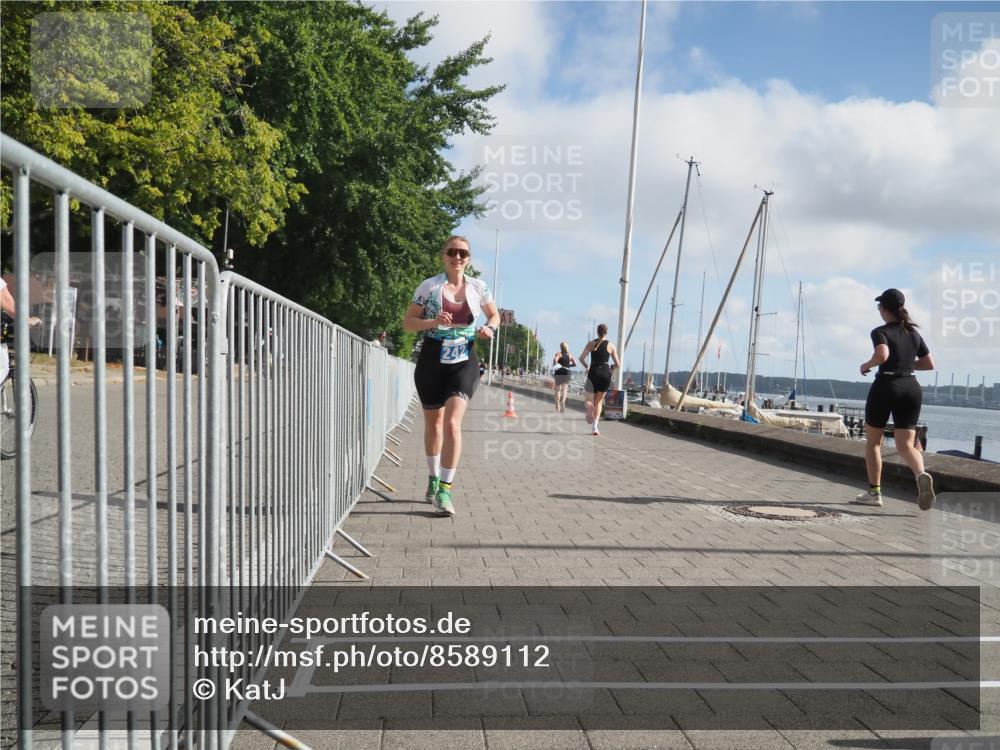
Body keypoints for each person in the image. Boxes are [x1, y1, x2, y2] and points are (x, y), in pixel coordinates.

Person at [403, 236, 499, 517]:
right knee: (434, 425)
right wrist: (433, 321)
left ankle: (445, 489)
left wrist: (490, 329)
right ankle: (433, 479)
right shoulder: (430, 287)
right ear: (443, 255)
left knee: (453, 425)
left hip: (464, 359)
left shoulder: (479, 287)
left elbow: (492, 316)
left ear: (469, 258)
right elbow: (408, 323)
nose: (457, 257)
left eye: (463, 253)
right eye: (452, 252)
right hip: (433, 357)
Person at [854, 288, 936, 510]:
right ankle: (921, 474)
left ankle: (874, 493)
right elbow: (929, 364)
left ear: (883, 308)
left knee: (873, 442)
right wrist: (907, 365)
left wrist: (867, 365)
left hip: (886, 386)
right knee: (906, 445)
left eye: (879, 306)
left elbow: (882, 355)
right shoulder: (914, 333)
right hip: (911, 387)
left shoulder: (880, 331)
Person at [579, 324, 621, 436]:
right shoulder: (611, 345)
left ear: (597, 332)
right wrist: (611, 369)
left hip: (593, 372)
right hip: (605, 374)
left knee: (589, 400)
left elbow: (581, 358)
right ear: (606, 332)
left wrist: (587, 367)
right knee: (598, 402)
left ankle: (589, 407)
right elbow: (618, 364)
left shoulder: (591, 343)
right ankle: (595, 428)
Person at [551, 342, 576, 411]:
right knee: (564, 390)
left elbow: (555, 360)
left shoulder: (558, 354)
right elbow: (575, 364)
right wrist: (568, 366)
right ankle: (563, 402)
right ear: (567, 347)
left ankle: (557, 405)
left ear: (560, 347)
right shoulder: (570, 355)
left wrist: (556, 365)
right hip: (567, 372)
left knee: (558, 390)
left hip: (559, 372)